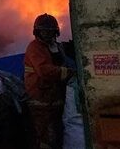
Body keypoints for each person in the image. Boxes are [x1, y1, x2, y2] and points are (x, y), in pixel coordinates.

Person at [24, 14, 75, 149]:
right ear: (37, 32)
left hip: (56, 99)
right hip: (40, 101)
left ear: (56, 32)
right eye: (44, 31)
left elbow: (64, 59)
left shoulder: (56, 47)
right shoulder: (34, 48)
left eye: (50, 31)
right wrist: (69, 73)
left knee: (58, 134)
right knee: (45, 137)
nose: (47, 34)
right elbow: (44, 71)